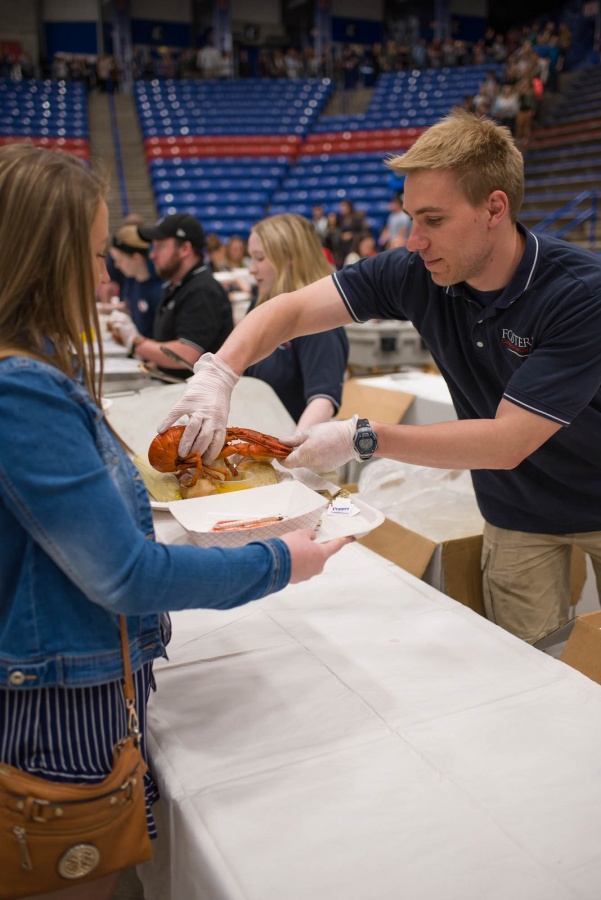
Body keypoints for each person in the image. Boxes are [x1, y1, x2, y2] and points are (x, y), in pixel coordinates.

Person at [0, 143, 350, 900]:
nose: (103, 278)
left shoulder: (31, 373)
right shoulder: (20, 389)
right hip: (55, 708)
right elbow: (124, 572)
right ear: (42, 255)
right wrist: (282, 561)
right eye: (93, 256)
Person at [156, 108, 601, 648]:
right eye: (410, 217)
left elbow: (508, 440)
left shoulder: (578, 293)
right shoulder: (416, 273)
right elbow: (292, 310)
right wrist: (219, 372)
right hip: (517, 508)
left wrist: (363, 437)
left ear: (495, 208)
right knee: (532, 662)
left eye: (434, 220)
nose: (415, 239)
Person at [244, 213, 349, 428]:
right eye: (251, 258)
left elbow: (322, 401)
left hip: (286, 448)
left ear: (290, 259)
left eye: (260, 258)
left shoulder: (320, 320)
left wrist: (289, 454)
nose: (251, 269)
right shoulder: (257, 307)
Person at [109, 213, 233, 380]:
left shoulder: (202, 290)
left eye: (160, 247)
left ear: (184, 249)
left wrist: (136, 342)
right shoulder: (177, 285)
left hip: (196, 397)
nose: (152, 255)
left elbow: (186, 354)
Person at [108, 224, 163, 337]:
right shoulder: (132, 281)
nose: (116, 265)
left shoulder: (159, 291)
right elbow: (130, 305)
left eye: (119, 260)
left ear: (136, 258)